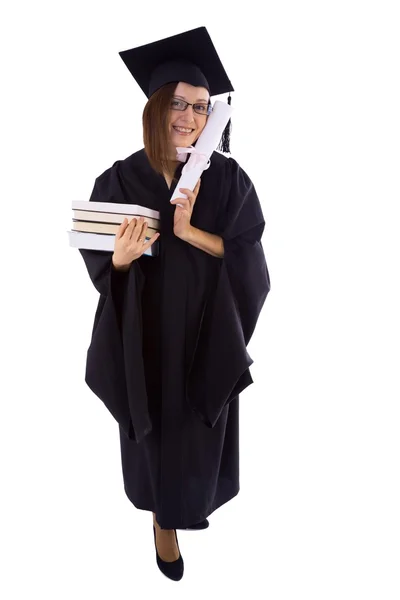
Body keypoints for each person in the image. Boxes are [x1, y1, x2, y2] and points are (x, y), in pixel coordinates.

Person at [78, 26, 271, 582]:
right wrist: (119, 260)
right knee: (152, 431)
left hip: (208, 336)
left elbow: (249, 260)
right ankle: (162, 522)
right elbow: (100, 269)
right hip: (143, 339)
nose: (188, 116)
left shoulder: (229, 181)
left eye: (201, 106)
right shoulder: (116, 180)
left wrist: (188, 233)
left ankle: (184, 510)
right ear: (156, 107)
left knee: (194, 436)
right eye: (178, 103)